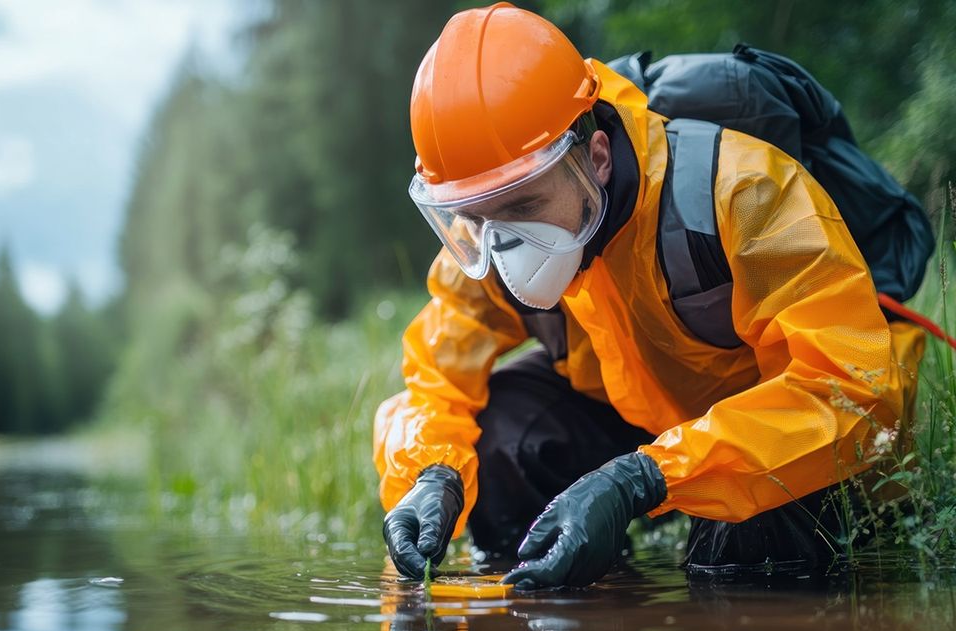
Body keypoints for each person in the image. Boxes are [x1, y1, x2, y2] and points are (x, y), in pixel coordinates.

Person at [373, 2, 925, 589]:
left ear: (596, 158)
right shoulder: (484, 243)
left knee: (748, 535)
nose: (502, 240)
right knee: (501, 443)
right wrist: (432, 475)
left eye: (524, 204)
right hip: (634, 417)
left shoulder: (743, 194)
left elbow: (850, 389)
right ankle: (549, 609)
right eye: (474, 213)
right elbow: (433, 382)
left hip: (763, 428)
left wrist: (644, 480)